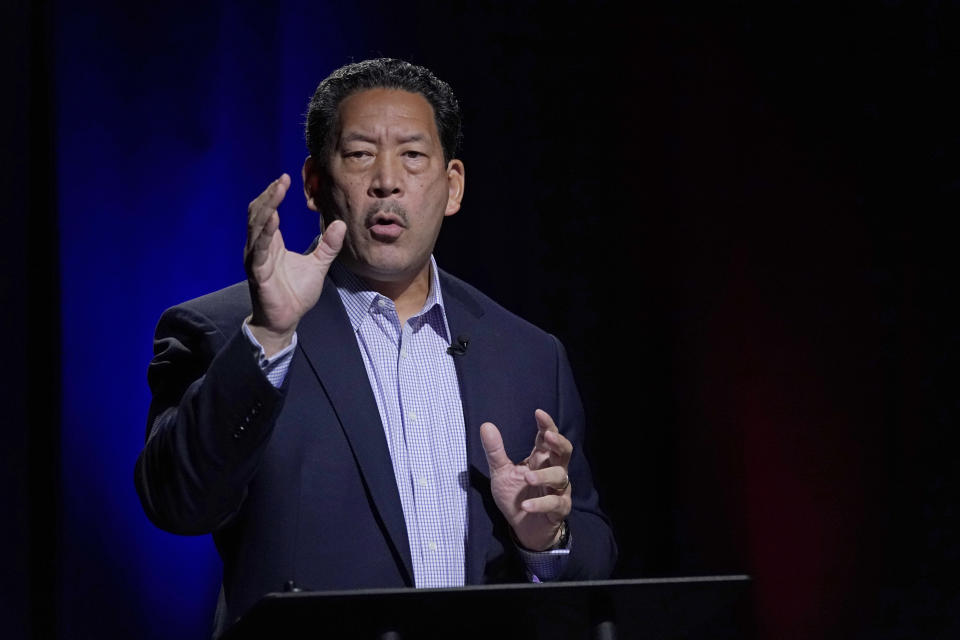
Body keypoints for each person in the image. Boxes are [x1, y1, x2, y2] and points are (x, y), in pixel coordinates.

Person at [134, 58, 616, 636]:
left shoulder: (528, 354)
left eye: (413, 155)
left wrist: (544, 539)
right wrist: (268, 336)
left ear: (452, 185)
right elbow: (179, 502)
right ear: (315, 184)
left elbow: (594, 555)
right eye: (360, 153)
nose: (387, 179)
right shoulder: (224, 331)